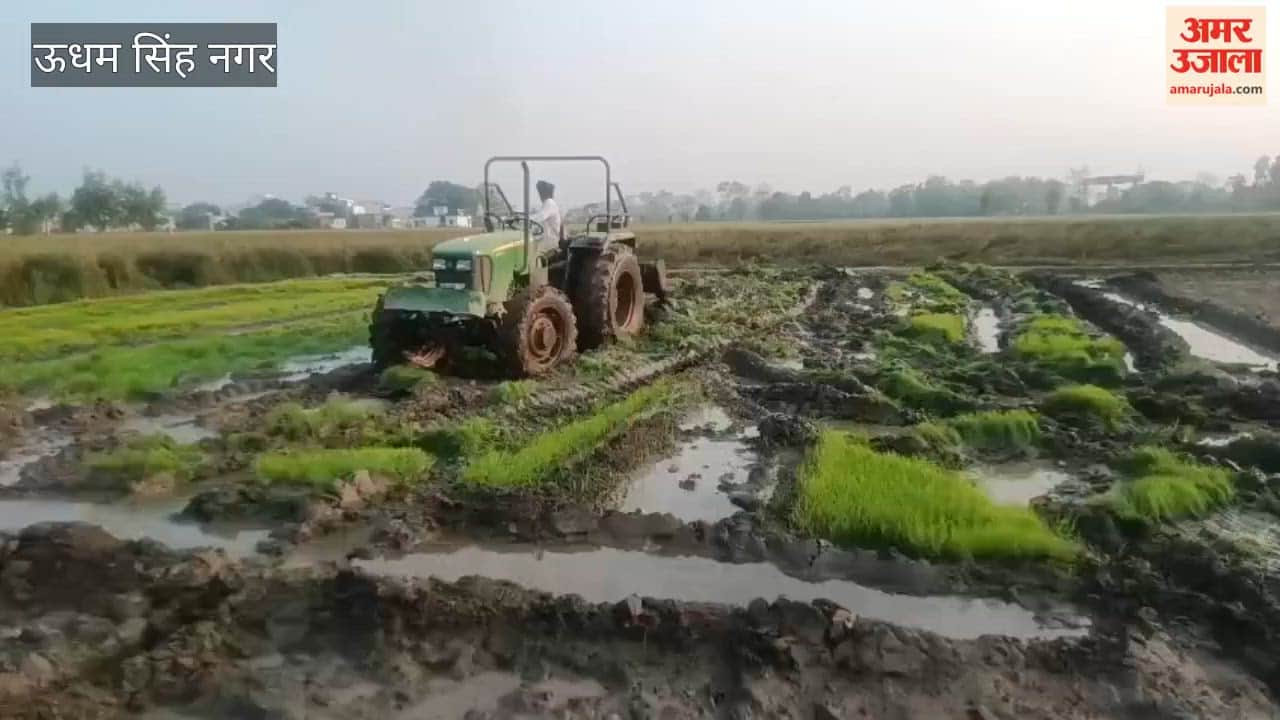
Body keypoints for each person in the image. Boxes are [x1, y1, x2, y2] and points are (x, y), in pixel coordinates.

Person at [527, 180, 562, 253]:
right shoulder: (547, 204)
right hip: (547, 241)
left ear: (544, 193)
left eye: (540, 192)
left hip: (551, 244)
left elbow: (539, 217)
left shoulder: (549, 203)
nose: (539, 195)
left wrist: (524, 219)